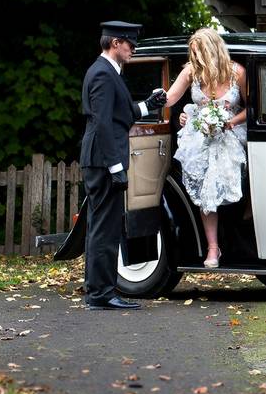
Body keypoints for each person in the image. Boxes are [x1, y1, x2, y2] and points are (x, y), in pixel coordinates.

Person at [80, 21, 167, 310]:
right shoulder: (103, 74)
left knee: (101, 227)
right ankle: (101, 295)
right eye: (130, 45)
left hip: (102, 159)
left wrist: (151, 104)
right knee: (105, 229)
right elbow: (103, 123)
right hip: (104, 160)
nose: (133, 50)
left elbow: (124, 113)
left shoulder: (108, 73)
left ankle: (98, 291)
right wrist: (116, 167)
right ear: (115, 43)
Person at [158, 27, 247, 268]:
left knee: (236, 187)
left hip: (231, 135)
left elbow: (254, 109)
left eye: (199, 53)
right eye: (193, 54)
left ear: (213, 50)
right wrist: (151, 102)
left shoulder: (237, 72)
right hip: (200, 139)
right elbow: (171, 98)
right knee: (205, 193)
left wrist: (229, 122)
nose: (196, 59)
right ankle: (212, 247)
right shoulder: (192, 71)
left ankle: (239, 240)